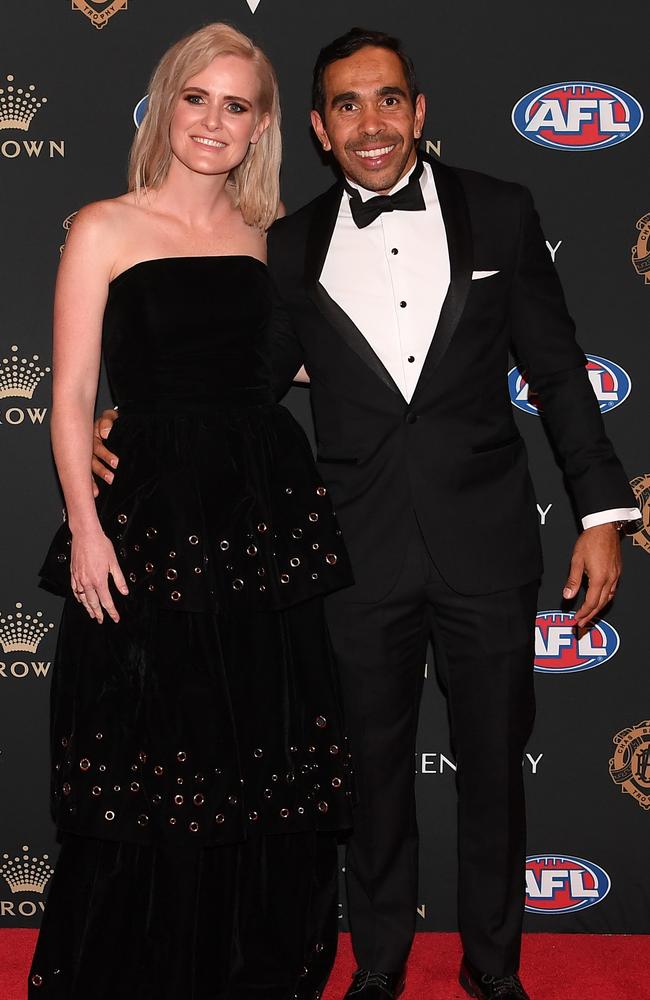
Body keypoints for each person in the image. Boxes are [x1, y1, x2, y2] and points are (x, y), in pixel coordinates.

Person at [91, 25, 643, 1000]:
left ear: (417, 110)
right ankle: (379, 963)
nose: (369, 121)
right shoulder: (289, 244)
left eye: (386, 98)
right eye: (345, 105)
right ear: (315, 127)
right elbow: (242, 381)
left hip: (486, 546)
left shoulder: (501, 213)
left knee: (491, 775)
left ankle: (492, 968)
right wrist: (128, 412)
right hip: (352, 551)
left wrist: (601, 511)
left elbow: (557, 374)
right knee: (370, 778)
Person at [32, 23, 354, 1000]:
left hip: (261, 517)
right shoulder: (103, 227)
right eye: (197, 98)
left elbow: (321, 365)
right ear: (166, 106)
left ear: (261, 128)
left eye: (237, 105)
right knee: (152, 742)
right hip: (149, 519)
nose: (214, 121)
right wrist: (85, 524)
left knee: (255, 740)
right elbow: (73, 395)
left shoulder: (279, 242)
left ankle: (244, 966)